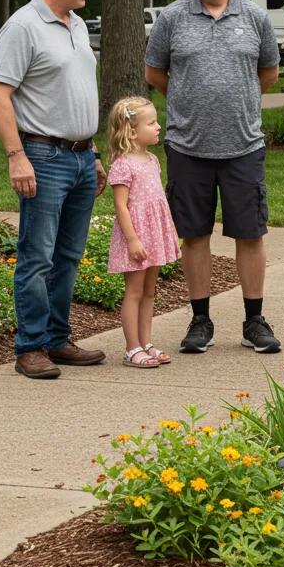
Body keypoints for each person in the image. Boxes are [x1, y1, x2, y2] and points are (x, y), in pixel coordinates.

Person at [145, 0, 283, 355]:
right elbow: (155, 74)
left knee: (250, 234)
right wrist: (190, 103)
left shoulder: (256, 18)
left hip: (243, 145)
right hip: (187, 146)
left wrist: (233, 103)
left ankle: (254, 320)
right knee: (195, 234)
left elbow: (269, 74)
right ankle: (200, 319)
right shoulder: (171, 17)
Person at [0, 0, 106, 379]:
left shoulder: (74, 24)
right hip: (42, 155)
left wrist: (91, 152)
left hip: (79, 156)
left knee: (69, 255)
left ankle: (58, 339)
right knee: (37, 255)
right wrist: (17, 157)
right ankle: (31, 346)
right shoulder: (23, 27)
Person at [105, 96, 180, 368]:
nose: (159, 126)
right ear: (132, 132)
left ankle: (146, 343)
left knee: (150, 291)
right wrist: (133, 240)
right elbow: (121, 207)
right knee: (134, 291)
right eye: (152, 123)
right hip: (135, 236)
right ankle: (131, 347)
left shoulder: (151, 160)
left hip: (153, 234)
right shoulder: (123, 164)